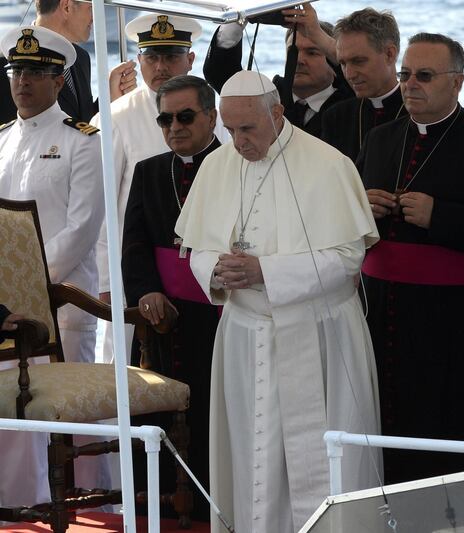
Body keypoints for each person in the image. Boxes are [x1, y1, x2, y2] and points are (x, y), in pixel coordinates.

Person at [174, 70, 380, 533]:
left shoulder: (328, 164)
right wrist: (216, 270)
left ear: (278, 113)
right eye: (229, 130)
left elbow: (349, 256)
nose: (238, 141)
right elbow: (197, 247)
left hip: (317, 333)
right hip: (246, 334)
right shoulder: (218, 165)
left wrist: (266, 271)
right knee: (252, 454)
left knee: (322, 465)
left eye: (248, 128)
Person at [357, 33, 464, 483]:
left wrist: (440, 216)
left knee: (444, 431)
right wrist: (361, 210)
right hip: (379, 311)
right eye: (405, 74)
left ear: (457, 82)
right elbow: (349, 230)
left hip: (449, 325)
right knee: (381, 421)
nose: (411, 84)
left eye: (425, 76)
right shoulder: (380, 140)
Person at [0, 24, 106, 507]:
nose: (22, 81)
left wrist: (28, 284)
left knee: (73, 409)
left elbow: (82, 228)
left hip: (65, 297)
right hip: (4, 303)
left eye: (35, 72)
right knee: (14, 402)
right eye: (16, 70)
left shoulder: (84, 142)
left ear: (60, 81)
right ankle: (21, 496)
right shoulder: (1, 139)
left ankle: (94, 498)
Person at [121, 75, 222, 521]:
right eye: (165, 119)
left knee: (211, 414)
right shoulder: (149, 170)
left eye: (185, 117)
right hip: (160, 318)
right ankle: (154, 506)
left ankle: (211, 504)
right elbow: (135, 246)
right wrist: (145, 292)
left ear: (212, 116)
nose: (174, 127)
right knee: (156, 418)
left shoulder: (234, 165)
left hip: (219, 318)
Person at [92, 13, 219, 364]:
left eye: (171, 56)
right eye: (151, 57)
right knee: (129, 367)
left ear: (190, 60)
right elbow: (100, 208)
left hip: (204, 279)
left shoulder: (215, 111)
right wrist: (106, 278)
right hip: (135, 269)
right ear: (138, 59)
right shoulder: (114, 118)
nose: (160, 66)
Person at [203, 2, 352, 138]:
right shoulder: (271, 96)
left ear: (334, 62)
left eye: (312, 52)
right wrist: (241, 16)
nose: (299, 60)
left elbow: (367, 76)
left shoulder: (353, 102)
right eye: (293, 52)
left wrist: (317, 35)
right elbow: (219, 72)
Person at [0, 0, 136, 124]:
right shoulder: (5, 65)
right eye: (91, 8)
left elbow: (81, 124)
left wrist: (108, 98)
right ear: (66, 7)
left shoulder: (81, 58)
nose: (94, 17)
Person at [320, 8, 406, 162]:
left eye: (358, 61)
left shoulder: (419, 113)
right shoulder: (335, 117)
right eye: (343, 63)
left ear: (389, 54)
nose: (349, 74)